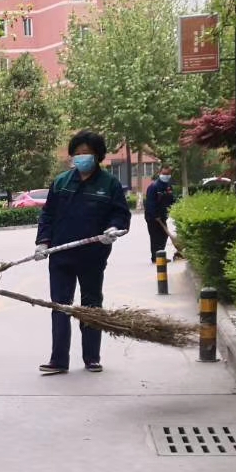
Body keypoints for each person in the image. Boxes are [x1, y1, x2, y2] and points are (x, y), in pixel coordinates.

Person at [34, 131, 132, 375]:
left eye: (86, 153)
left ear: (97, 155)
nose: (81, 157)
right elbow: (48, 215)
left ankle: (92, 358)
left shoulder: (109, 184)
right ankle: (59, 360)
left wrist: (114, 229)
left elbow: (121, 214)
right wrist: (43, 242)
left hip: (93, 256)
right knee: (60, 306)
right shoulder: (61, 182)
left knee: (91, 306)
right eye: (77, 154)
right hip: (61, 255)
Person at [143, 163, 177, 263]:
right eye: (164, 174)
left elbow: (171, 200)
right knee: (155, 237)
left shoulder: (168, 186)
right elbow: (150, 203)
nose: (166, 176)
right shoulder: (153, 187)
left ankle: (160, 256)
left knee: (164, 235)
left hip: (162, 216)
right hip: (152, 217)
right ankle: (155, 258)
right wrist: (155, 215)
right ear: (160, 173)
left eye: (168, 174)